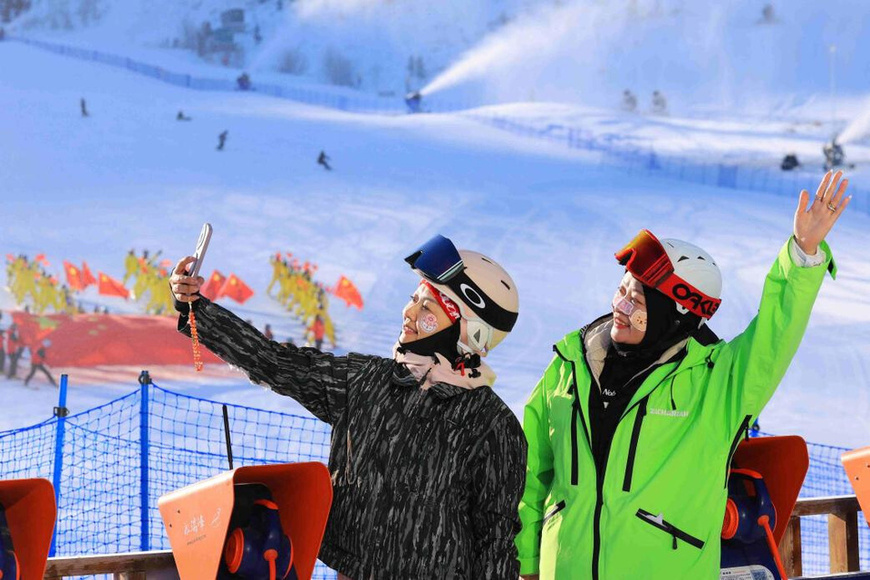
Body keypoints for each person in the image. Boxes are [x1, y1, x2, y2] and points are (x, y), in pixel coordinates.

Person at [516, 171, 851, 580]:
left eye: (637, 300)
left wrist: (803, 253)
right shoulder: (569, 366)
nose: (620, 306)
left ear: (674, 315)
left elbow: (775, 335)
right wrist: (526, 565)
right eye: (622, 291)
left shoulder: (718, 382)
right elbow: (530, 475)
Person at [170, 234, 526, 578]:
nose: (409, 312)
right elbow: (275, 362)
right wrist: (197, 309)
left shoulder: (492, 424)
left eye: (428, 307)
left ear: (470, 332)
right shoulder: (366, 381)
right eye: (414, 298)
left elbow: (495, 539)